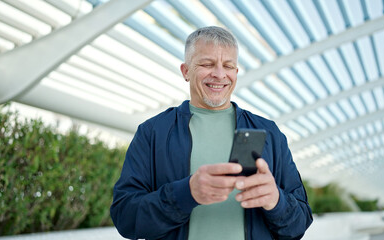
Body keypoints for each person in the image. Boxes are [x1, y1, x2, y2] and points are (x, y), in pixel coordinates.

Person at [110, 26, 313, 240]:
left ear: (236, 72)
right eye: (207, 64)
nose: (219, 74)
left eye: (228, 65)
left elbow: (299, 224)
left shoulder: (268, 133)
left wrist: (276, 201)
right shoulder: (153, 133)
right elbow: (126, 218)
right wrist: (186, 194)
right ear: (186, 71)